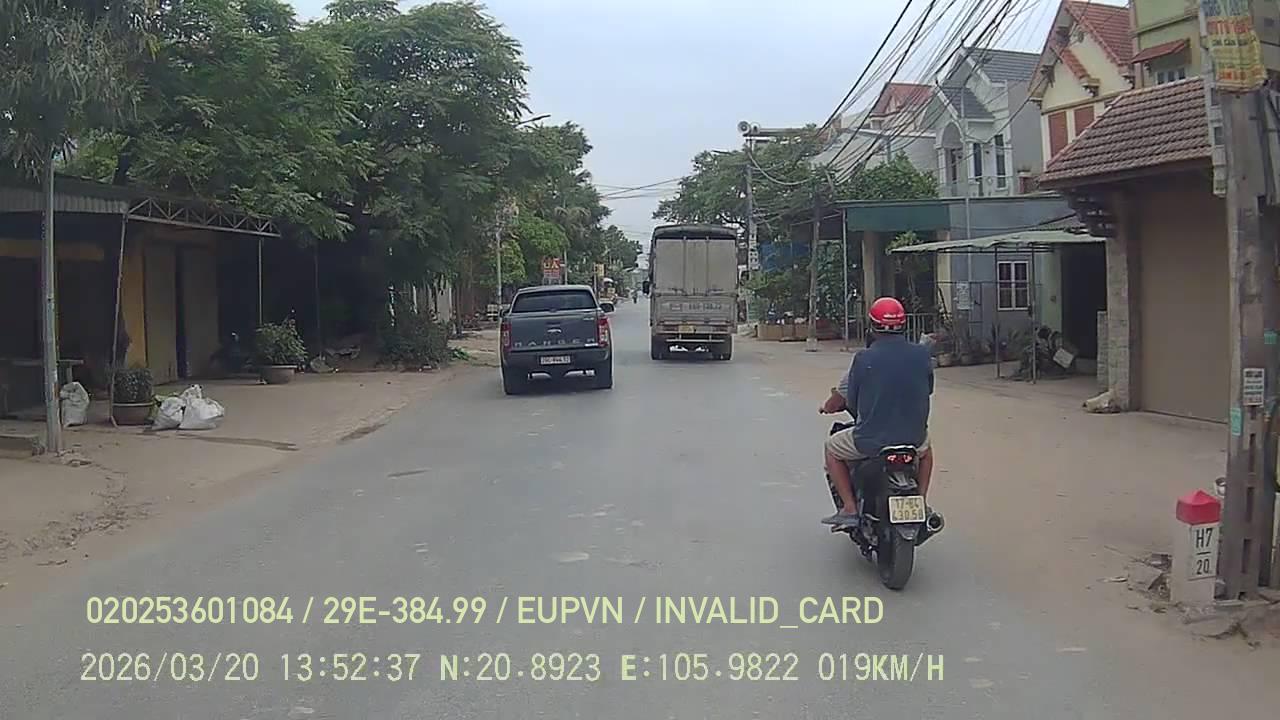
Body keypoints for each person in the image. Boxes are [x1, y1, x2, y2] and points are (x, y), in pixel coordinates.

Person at [818, 296, 934, 527]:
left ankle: (849, 508)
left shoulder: (864, 358)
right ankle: (921, 500)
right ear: (904, 324)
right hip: (914, 438)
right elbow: (928, 389)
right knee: (927, 452)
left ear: (872, 326)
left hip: (871, 440)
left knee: (831, 448)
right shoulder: (922, 354)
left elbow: (852, 399)